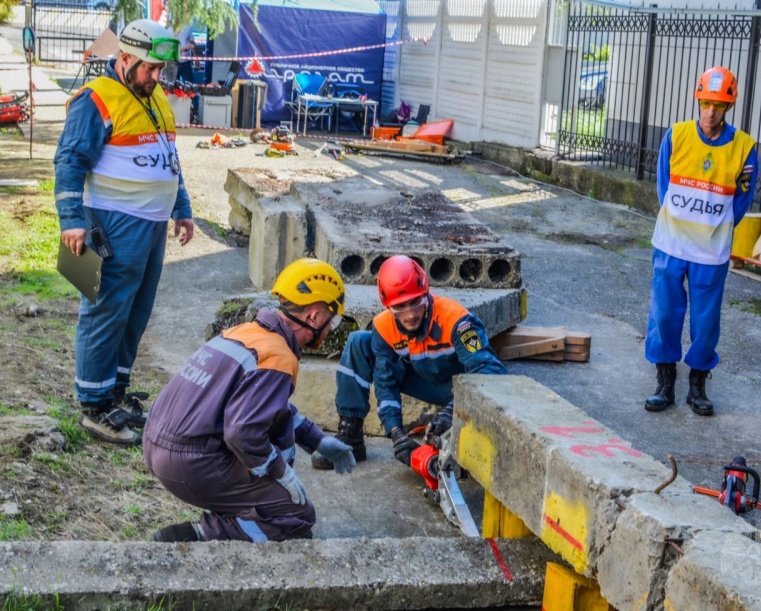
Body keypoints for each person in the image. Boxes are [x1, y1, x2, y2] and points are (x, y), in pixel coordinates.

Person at [144, 258, 356, 543]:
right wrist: (281, 472)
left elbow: (268, 409)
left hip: (156, 445)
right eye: (333, 319)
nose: (331, 327)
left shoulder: (244, 333)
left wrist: (316, 439)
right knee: (297, 517)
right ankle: (202, 535)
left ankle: (242, 510)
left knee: (270, 458)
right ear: (315, 317)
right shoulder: (278, 357)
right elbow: (243, 431)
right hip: (191, 463)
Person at [54, 19, 194, 446]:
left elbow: (168, 157)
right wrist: (72, 221)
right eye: (150, 68)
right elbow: (69, 160)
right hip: (110, 225)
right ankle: (93, 406)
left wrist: (182, 208)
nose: (157, 77)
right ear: (126, 57)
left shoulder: (157, 99)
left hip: (150, 227)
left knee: (135, 313)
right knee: (104, 311)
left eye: (161, 70)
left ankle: (114, 392)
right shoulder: (95, 100)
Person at [311, 255, 506, 470]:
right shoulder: (384, 327)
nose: (411, 314)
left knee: (486, 376)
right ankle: (351, 437)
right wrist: (396, 434)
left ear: (426, 293)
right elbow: (385, 384)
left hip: (456, 388)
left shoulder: (457, 321)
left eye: (416, 302)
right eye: (400, 307)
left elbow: (491, 371)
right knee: (358, 341)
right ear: (388, 306)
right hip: (421, 378)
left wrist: (455, 409)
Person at [644, 66, 758, 417]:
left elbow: (742, 199)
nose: (711, 112)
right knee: (664, 312)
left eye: (719, 105)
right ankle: (665, 381)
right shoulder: (676, 136)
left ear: (729, 107)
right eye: (706, 103)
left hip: (711, 250)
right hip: (671, 245)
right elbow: (665, 187)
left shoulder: (744, 147)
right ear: (698, 100)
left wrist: (715, 226)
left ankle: (698, 383)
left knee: (706, 321)